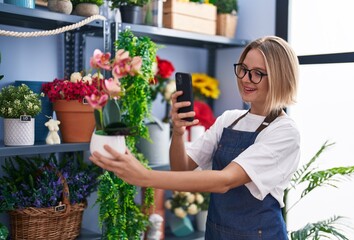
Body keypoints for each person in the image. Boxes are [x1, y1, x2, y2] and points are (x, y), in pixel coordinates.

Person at [89, 36, 300, 240]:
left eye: (257, 73)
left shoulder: (283, 132)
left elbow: (225, 180)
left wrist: (144, 176)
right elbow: (181, 170)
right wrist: (178, 131)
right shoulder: (229, 120)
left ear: (280, 78)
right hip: (217, 233)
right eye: (243, 69)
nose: (245, 78)